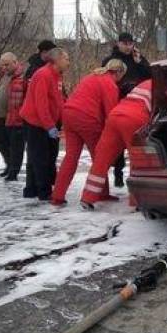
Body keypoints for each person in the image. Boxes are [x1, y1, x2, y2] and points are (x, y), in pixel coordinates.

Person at [51, 59, 127, 206]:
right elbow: (111, 114)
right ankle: (100, 193)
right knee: (100, 157)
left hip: (68, 114)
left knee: (71, 157)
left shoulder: (91, 76)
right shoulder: (110, 84)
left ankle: (57, 196)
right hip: (87, 119)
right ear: (118, 72)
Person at [80, 79, 153, 209]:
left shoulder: (144, 83)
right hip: (136, 118)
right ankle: (136, 201)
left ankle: (88, 197)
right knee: (138, 160)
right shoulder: (163, 86)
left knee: (102, 159)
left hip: (115, 115)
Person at [101, 32, 151, 188]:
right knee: (117, 142)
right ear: (118, 43)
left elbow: (150, 75)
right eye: (125, 43)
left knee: (134, 141)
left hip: (137, 103)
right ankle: (118, 173)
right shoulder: (110, 61)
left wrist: (140, 62)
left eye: (130, 43)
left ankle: (135, 175)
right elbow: (106, 81)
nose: (128, 46)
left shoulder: (138, 59)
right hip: (116, 102)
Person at [19, 48, 68, 201]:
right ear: (57, 60)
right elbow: (41, 104)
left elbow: (58, 100)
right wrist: (49, 126)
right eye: (66, 59)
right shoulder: (43, 75)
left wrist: (63, 120)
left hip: (49, 122)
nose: (68, 62)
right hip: (35, 122)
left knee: (47, 156)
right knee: (40, 157)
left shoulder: (57, 76)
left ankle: (32, 189)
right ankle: (44, 191)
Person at [0, 53, 26, 181]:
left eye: (7, 65)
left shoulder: (23, 76)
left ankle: (13, 171)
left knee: (16, 145)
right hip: (0, 116)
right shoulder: (2, 76)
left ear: (15, 62)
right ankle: (9, 164)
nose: (4, 67)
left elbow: (27, 96)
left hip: (15, 117)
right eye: (2, 65)